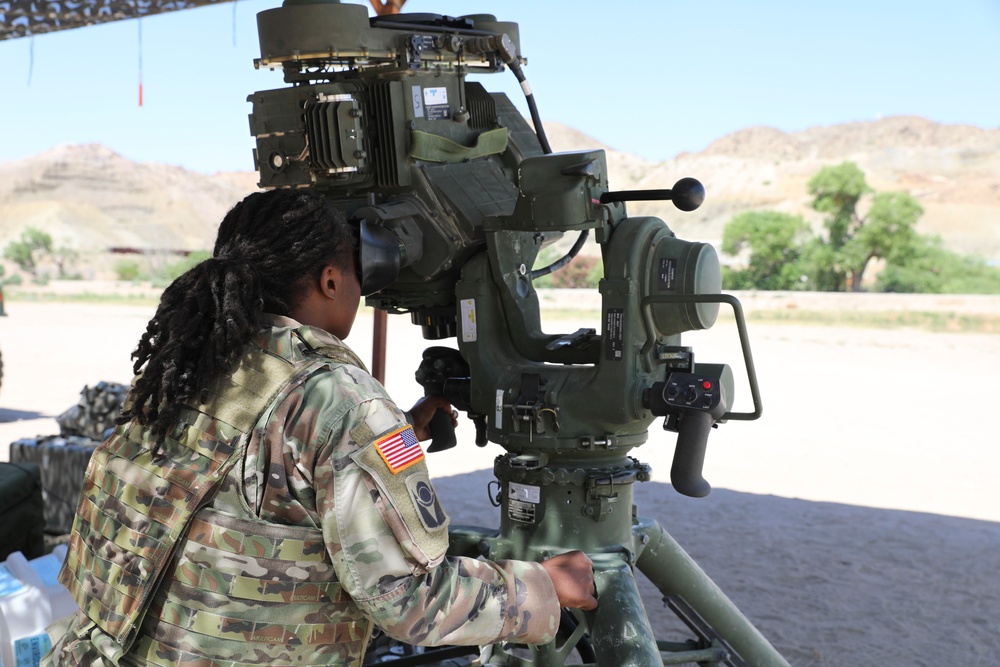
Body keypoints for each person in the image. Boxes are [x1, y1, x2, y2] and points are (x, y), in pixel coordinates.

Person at [44, 189, 597, 666]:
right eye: (357, 276)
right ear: (332, 280)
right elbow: (408, 600)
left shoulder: (193, 364)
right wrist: (541, 590)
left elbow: (238, 478)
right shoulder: (339, 399)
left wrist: (396, 433)